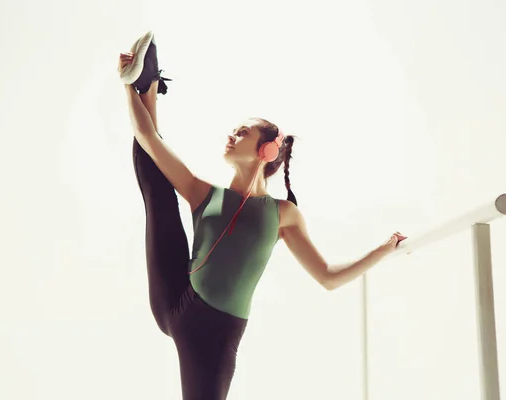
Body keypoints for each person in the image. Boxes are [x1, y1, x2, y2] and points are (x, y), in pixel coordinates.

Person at [117, 31, 407, 400]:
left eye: (242, 133)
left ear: (267, 151)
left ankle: (148, 84)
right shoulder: (203, 193)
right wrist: (128, 87)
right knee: (157, 185)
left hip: (214, 333)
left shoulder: (282, 214)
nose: (231, 136)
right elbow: (148, 138)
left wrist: (382, 250)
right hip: (175, 296)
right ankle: (148, 83)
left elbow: (328, 277)